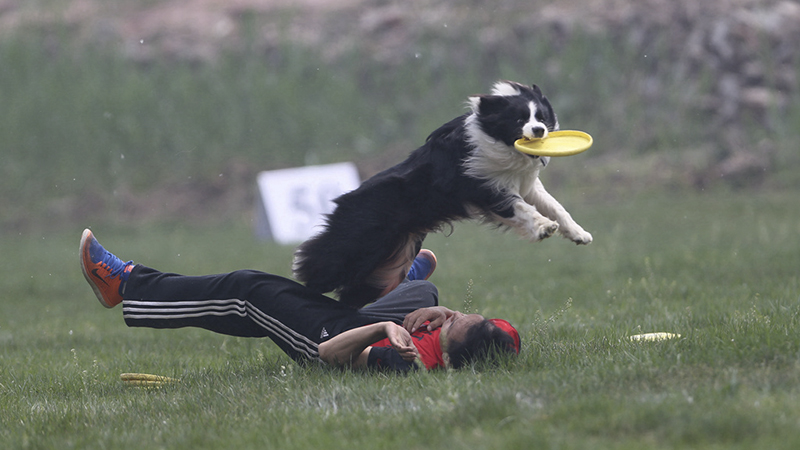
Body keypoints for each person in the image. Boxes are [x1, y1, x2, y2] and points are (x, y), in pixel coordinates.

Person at [79, 229, 520, 372]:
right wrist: (444, 313)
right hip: (354, 324)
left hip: (325, 337)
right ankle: (403, 285)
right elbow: (501, 336)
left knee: (248, 289)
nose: (455, 318)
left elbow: (331, 352)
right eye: (465, 315)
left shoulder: (404, 359)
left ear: (443, 349)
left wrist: (387, 327)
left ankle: (126, 287)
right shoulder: (496, 338)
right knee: (424, 293)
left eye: (451, 326)